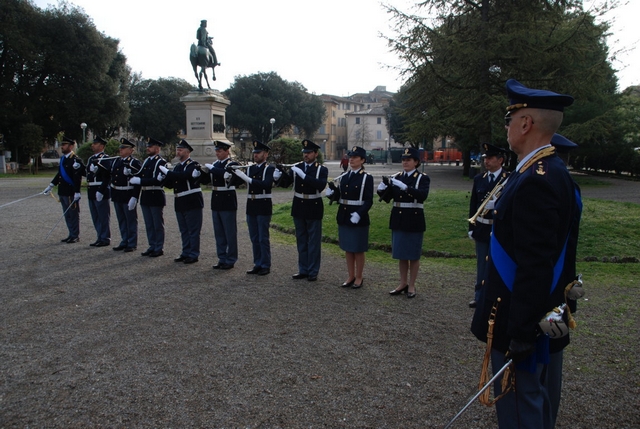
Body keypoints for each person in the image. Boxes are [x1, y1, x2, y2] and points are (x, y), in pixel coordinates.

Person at [470, 79, 579, 429]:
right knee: (540, 399)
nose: (506, 128)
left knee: (521, 406)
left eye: (509, 120)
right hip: (542, 309)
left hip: (520, 315)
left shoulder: (535, 179)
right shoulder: (552, 171)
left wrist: (520, 331)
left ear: (525, 123)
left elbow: (535, 264)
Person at [377, 147, 430, 298]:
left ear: (416, 162)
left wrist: (406, 187)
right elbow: (388, 198)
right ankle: (403, 283)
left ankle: (411, 285)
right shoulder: (397, 177)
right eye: (403, 160)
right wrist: (382, 189)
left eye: (409, 160)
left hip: (413, 218)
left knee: (413, 255)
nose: (405, 162)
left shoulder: (422, 178)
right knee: (401, 254)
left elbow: (422, 196)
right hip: (399, 218)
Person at [326, 146, 373, 289]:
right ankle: (350, 275)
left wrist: (359, 213)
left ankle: (359, 276)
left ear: (362, 160)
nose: (351, 159)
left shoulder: (366, 178)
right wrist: (332, 194)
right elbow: (341, 196)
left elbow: (368, 201)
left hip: (358, 216)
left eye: (355, 157)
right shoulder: (344, 176)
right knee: (348, 248)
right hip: (345, 215)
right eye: (350, 157)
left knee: (358, 249)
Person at [467, 143, 509, 308]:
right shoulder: (479, 179)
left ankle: (496, 297)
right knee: (481, 264)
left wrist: (497, 205)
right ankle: (479, 296)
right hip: (482, 227)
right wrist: (472, 228)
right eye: (485, 158)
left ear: (500, 160)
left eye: (490, 158)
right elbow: (473, 204)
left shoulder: (508, 179)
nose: (486, 161)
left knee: (498, 263)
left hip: (499, 228)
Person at [285, 139, 328, 282]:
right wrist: (280, 174)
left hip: (313, 205)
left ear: (315, 154)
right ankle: (303, 269)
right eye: (304, 153)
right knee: (301, 240)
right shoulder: (297, 167)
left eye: (309, 153)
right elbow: (286, 183)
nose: (306, 155)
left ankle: (313, 271)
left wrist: (304, 176)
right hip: (299, 205)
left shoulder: (321, 169)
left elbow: (320, 185)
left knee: (313, 241)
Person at [229, 140, 275, 275]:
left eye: (258, 153)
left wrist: (248, 179)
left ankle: (265, 264)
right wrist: (230, 174)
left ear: (265, 154)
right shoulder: (251, 168)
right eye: (255, 153)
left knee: (263, 238)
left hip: (263, 204)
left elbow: (266, 184)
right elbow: (238, 181)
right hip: (252, 204)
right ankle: (258, 263)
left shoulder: (269, 168)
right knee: (254, 237)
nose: (255, 155)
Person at [158, 140, 203, 264]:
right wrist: (163, 178)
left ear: (187, 152)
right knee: (184, 230)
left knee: (193, 230)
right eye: (177, 149)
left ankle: (193, 254)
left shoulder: (193, 165)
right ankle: (186, 252)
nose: (178, 152)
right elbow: (172, 183)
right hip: (180, 200)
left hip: (191, 200)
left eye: (181, 150)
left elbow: (183, 176)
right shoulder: (177, 166)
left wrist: (168, 173)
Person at [200, 140, 241, 270]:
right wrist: (200, 173)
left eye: (220, 151)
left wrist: (213, 169)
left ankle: (231, 258)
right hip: (216, 199)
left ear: (227, 151)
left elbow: (227, 175)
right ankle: (222, 257)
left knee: (230, 232)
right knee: (219, 232)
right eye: (216, 151)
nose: (217, 153)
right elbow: (207, 180)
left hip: (227, 199)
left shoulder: (232, 164)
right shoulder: (215, 164)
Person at [129, 138, 167, 257]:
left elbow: (157, 180)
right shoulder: (146, 161)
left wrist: (140, 181)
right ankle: (152, 245)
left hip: (155, 195)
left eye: (150, 147)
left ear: (157, 149)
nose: (148, 148)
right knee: (149, 224)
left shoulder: (161, 162)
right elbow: (139, 175)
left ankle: (159, 247)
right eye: (148, 146)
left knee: (157, 224)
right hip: (146, 195)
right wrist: (130, 175)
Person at [43, 136, 84, 243]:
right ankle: (71, 233)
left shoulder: (75, 159)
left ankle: (75, 235)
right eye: (62, 145)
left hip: (71, 192)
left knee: (73, 215)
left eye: (64, 145)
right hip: (62, 191)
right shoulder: (63, 159)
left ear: (71, 146)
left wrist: (77, 191)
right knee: (67, 215)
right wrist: (51, 185)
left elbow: (77, 177)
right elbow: (60, 174)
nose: (62, 147)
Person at [109, 138, 141, 253]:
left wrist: (135, 196)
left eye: (124, 148)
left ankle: (132, 243)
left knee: (130, 220)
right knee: (121, 219)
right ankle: (124, 240)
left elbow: (138, 180)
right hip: (118, 193)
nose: (121, 150)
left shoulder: (134, 162)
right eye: (120, 148)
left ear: (131, 150)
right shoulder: (116, 161)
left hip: (128, 194)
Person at [86, 136, 111, 247]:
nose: (93, 145)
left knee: (103, 216)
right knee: (95, 216)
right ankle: (99, 236)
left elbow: (107, 177)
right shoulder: (91, 159)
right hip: (91, 190)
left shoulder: (105, 158)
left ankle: (105, 238)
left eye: (95, 144)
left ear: (101, 146)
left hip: (101, 190)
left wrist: (101, 190)